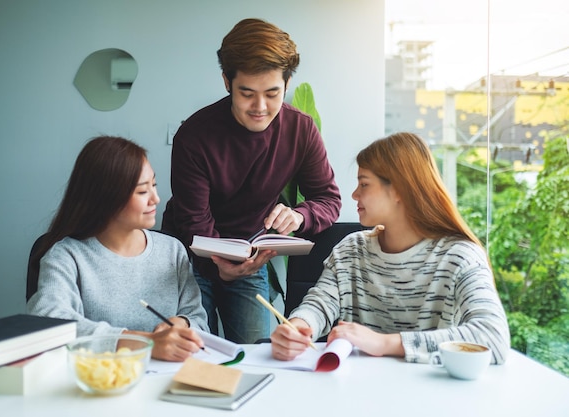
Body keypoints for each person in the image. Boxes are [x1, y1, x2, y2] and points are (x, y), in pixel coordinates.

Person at [162, 18, 342, 344]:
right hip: (190, 259)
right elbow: (193, 220)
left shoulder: (300, 130)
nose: (260, 107)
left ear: (287, 84)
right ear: (227, 82)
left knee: (259, 357)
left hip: (249, 256)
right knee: (190, 355)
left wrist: (300, 215)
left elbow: (328, 199)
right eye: (247, 93)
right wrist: (220, 266)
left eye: (272, 93)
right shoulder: (195, 134)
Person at [270, 132, 511, 364]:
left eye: (364, 184)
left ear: (398, 190)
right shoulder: (350, 250)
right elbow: (320, 304)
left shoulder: (460, 256)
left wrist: (385, 344)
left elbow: (493, 336)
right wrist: (300, 326)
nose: (354, 194)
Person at [27, 136, 209, 362]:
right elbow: (48, 320)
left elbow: (198, 319)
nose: (156, 199)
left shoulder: (172, 250)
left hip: (167, 382)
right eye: (143, 191)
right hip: (99, 382)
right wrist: (144, 343)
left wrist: (182, 324)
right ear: (106, 197)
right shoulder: (66, 256)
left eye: (154, 185)